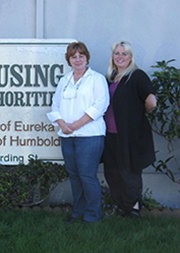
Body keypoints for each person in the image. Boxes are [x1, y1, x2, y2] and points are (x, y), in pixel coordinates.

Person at [47, 42, 109, 223]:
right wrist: (62, 124)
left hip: (90, 135)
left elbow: (100, 105)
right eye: (74, 57)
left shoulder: (96, 79)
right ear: (69, 60)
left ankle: (92, 216)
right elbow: (55, 104)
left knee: (87, 176)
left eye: (81, 56)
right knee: (74, 176)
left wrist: (74, 125)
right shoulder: (64, 81)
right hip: (67, 135)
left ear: (87, 58)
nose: (78, 60)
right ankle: (77, 213)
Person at [103, 41, 156, 218]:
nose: (120, 57)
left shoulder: (137, 76)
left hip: (129, 136)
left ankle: (133, 208)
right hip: (110, 135)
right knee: (112, 172)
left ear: (130, 57)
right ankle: (121, 206)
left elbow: (151, 102)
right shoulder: (111, 78)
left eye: (124, 54)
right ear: (112, 57)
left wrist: (139, 115)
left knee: (130, 172)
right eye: (116, 53)